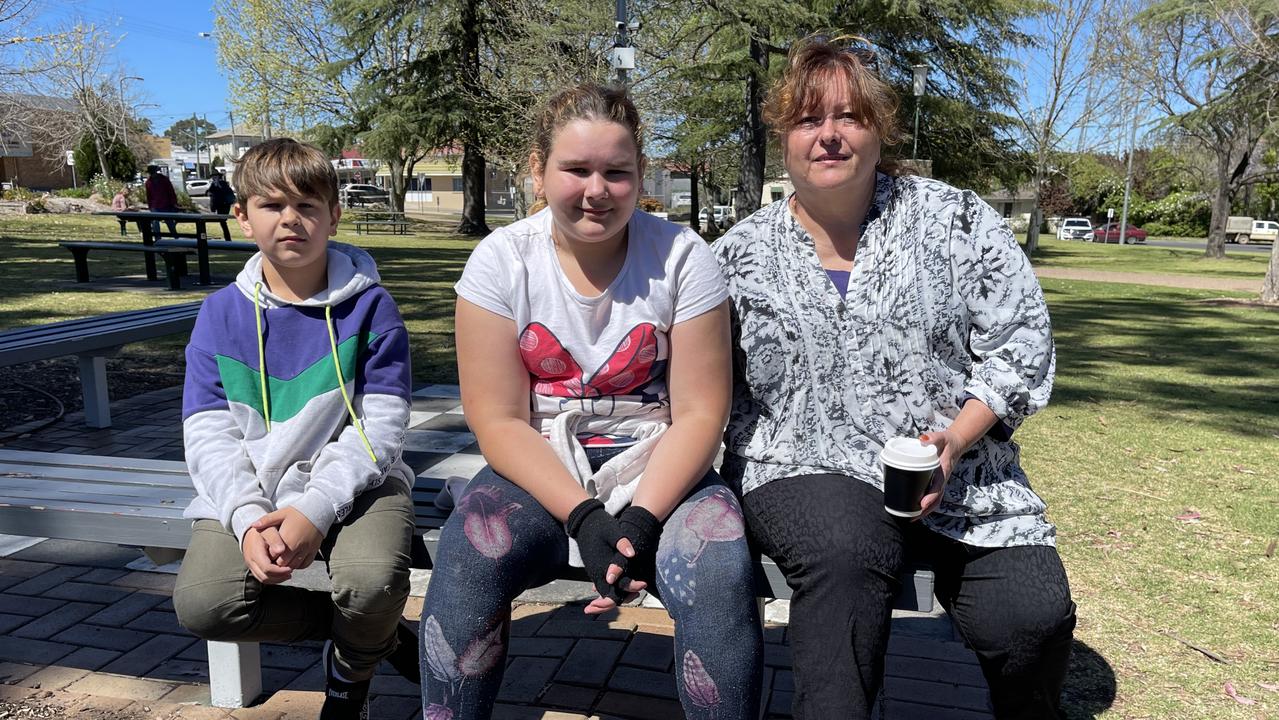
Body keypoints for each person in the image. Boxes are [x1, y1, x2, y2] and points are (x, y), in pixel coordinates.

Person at [711, 36, 1077, 720]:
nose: (827, 136)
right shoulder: (735, 256)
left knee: (1028, 615)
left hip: (959, 469)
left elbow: (1020, 344)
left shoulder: (955, 220)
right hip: (801, 463)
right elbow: (696, 383)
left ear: (879, 131)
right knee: (845, 555)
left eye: (848, 116)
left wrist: (955, 440)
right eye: (807, 119)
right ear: (782, 137)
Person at [420, 84, 763, 720]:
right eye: (576, 169)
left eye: (617, 171)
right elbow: (497, 419)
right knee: (470, 552)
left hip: (659, 464)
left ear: (640, 174)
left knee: (719, 572)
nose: (597, 190)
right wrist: (584, 517)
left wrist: (638, 522)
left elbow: (698, 413)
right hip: (540, 462)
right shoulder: (501, 261)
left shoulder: (684, 258)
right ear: (538, 170)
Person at [172, 138, 419, 720]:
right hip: (252, 486)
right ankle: (375, 637)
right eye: (271, 205)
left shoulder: (372, 308)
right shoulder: (219, 315)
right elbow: (207, 431)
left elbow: (381, 429)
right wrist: (244, 514)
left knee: (372, 581)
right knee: (207, 603)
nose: (291, 219)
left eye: (308, 205)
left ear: (334, 214)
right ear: (241, 215)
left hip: (358, 483)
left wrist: (317, 509)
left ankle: (350, 676)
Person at [144, 164, 179, 238]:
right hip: (155, 205)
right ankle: (157, 238)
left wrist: (174, 203)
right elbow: (148, 195)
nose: (152, 174)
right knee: (155, 222)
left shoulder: (164, 179)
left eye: (153, 172)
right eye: (151, 173)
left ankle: (175, 237)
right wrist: (150, 206)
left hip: (166, 204)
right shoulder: (148, 182)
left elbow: (171, 191)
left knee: (169, 222)